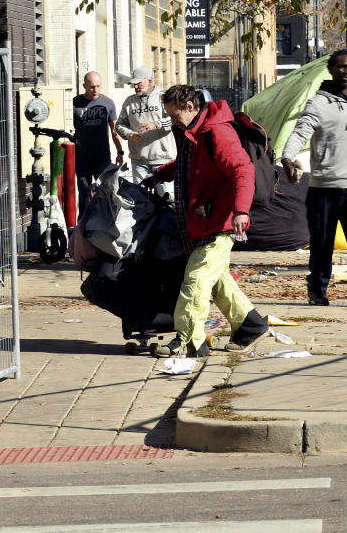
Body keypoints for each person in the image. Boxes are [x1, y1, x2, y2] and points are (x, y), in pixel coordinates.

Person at [142, 85, 269, 358]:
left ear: (190, 107)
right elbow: (190, 164)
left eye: (174, 116)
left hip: (221, 221)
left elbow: (242, 169)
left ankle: (188, 341)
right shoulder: (192, 132)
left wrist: (241, 211)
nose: (172, 121)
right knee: (218, 280)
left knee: (196, 279)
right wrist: (158, 175)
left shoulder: (217, 132)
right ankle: (251, 325)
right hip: (204, 219)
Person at [280, 49, 347, 307]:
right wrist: (287, 157)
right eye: (341, 67)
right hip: (323, 189)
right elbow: (301, 131)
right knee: (322, 243)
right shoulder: (318, 103)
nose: (346, 71)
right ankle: (317, 291)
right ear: (331, 69)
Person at [116, 66, 176, 199]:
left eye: (139, 83)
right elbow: (119, 125)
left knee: (167, 200)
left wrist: (156, 124)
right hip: (139, 160)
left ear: (149, 81)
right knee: (141, 202)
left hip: (163, 160)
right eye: (134, 84)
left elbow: (174, 120)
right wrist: (128, 134)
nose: (136, 87)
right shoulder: (129, 102)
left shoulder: (163, 97)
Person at [73, 71, 123, 216]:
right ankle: (82, 230)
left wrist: (120, 152)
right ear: (84, 86)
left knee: (106, 193)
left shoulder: (107, 103)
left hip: (102, 157)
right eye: (91, 87)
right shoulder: (75, 103)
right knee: (84, 195)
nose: (95, 90)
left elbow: (115, 131)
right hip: (82, 158)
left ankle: (105, 226)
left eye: (98, 86)